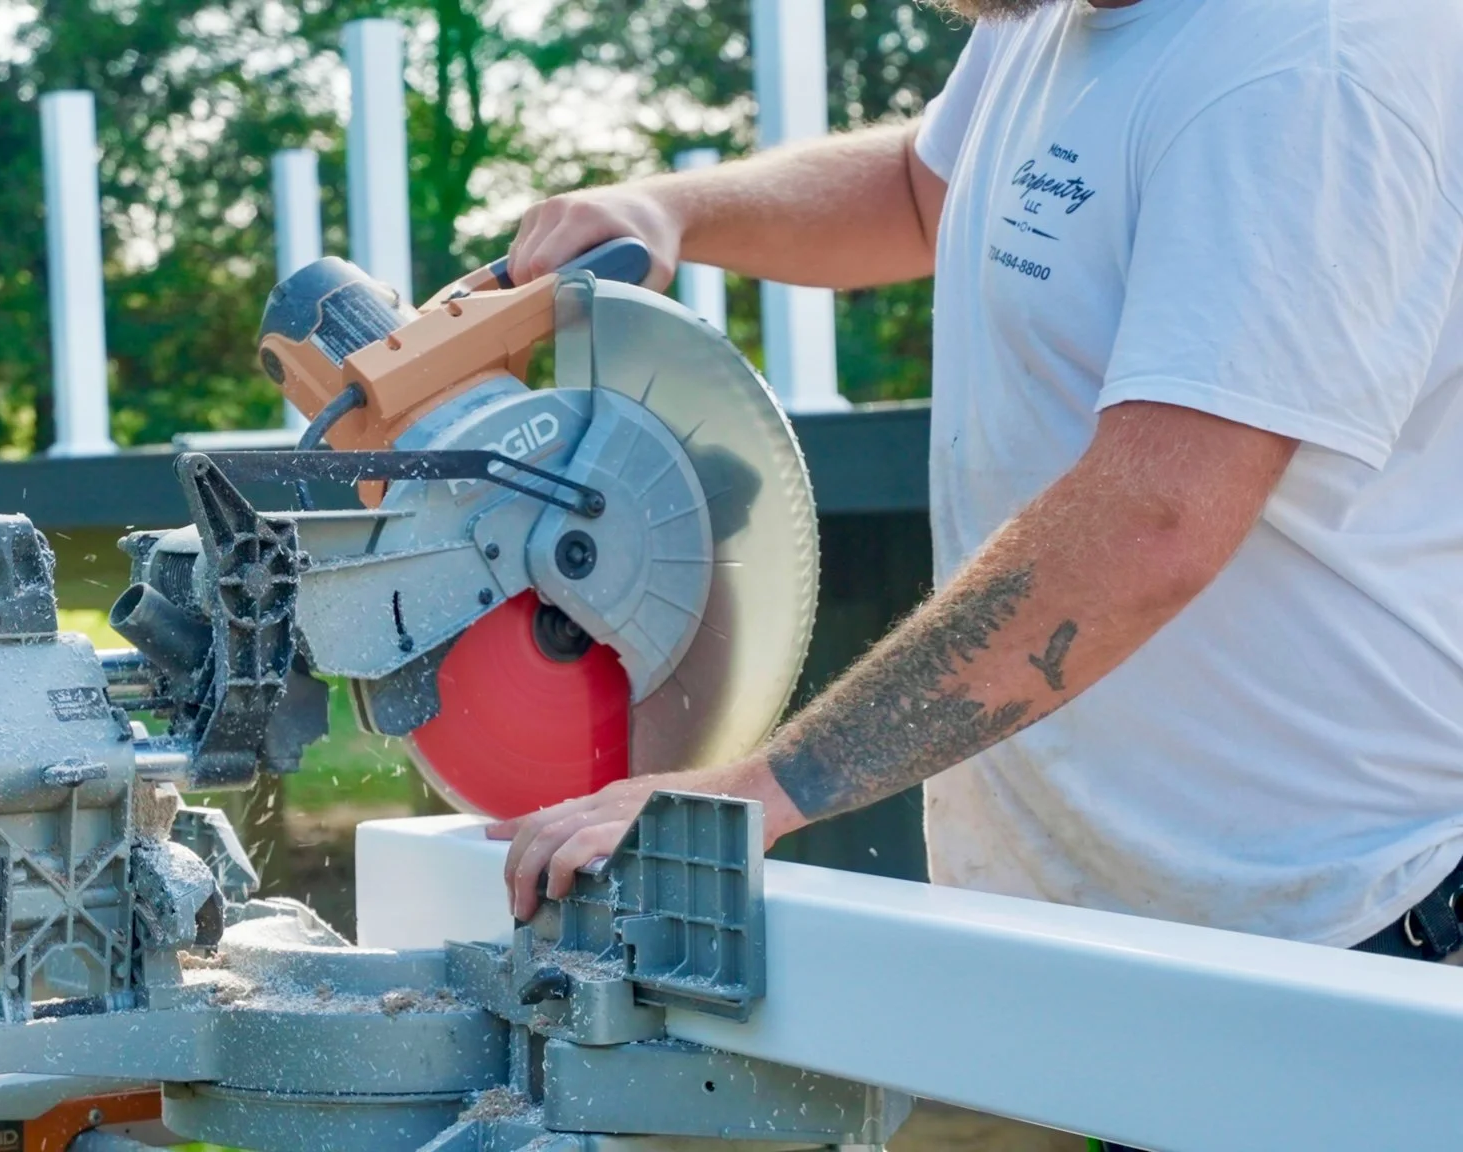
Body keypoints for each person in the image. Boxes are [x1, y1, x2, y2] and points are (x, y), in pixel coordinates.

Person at [492, 0, 1463, 1147]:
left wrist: (759, 791)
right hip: (1073, 931)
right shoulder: (1056, 15)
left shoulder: (1315, 67)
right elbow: (922, 188)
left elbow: (1152, 522)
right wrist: (674, 208)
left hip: (1336, 944)